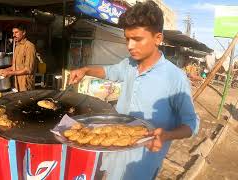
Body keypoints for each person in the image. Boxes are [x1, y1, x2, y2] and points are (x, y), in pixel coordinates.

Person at [69, 1, 199, 179]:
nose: (129, 46)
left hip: (141, 165)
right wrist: (86, 70)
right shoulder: (129, 64)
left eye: (137, 39)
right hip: (113, 151)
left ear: (158, 38)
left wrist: (167, 135)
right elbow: (110, 71)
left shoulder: (175, 78)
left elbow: (192, 124)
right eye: (127, 39)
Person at [0, 24, 36, 91]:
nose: (13, 35)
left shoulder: (29, 46)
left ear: (23, 32)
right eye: (13, 33)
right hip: (16, 83)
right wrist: (5, 70)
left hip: (25, 85)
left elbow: (28, 70)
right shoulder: (17, 46)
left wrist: (9, 73)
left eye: (16, 32)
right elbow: (15, 66)